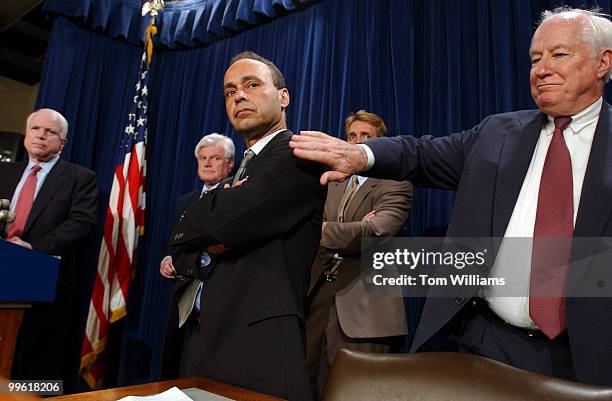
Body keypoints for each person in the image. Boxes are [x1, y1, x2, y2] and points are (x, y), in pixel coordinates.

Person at [290, 8, 612, 386]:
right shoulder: (497, 133)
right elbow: (420, 154)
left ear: (602, 62)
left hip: (586, 355)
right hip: (485, 344)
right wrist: (361, 155)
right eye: (535, 58)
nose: (541, 69)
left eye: (559, 55)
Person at [161, 51, 325, 401]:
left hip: (259, 348)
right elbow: (197, 239)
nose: (239, 96)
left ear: (283, 97)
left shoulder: (297, 156)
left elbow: (227, 224)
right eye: (229, 91)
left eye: (252, 85)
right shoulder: (240, 173)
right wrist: (208, 231)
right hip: (207, 338)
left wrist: (211, 225)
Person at [306, 110, 413, 397]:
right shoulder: (334, 181)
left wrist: (324, 232)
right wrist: (352, 229)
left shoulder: (396, 182)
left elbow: (379, 231)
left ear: (380, 142)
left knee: (358, 390)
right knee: (310, 383)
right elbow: (309, 228)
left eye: (366, 136)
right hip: (319, 298)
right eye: (352, 136)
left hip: (365, 306)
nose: (356, 141)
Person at [0, 108, 98, 380]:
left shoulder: (80, 178)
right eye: (35, 129)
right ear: (25, 136)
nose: (41, 135)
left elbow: (81, 223)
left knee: (34, 363)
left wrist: (33, 248)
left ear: (62, 143)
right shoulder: (4, 172)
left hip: (46, 283)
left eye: (50, 132)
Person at [159, 133, 235, 279]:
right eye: (203, 158)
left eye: (216, 158)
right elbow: (173, 245)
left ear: (230, 163)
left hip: (221, 284)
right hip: (185, 289)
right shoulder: (185, 202)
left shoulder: (235, 195)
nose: (207, 164)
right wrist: (167, 259)